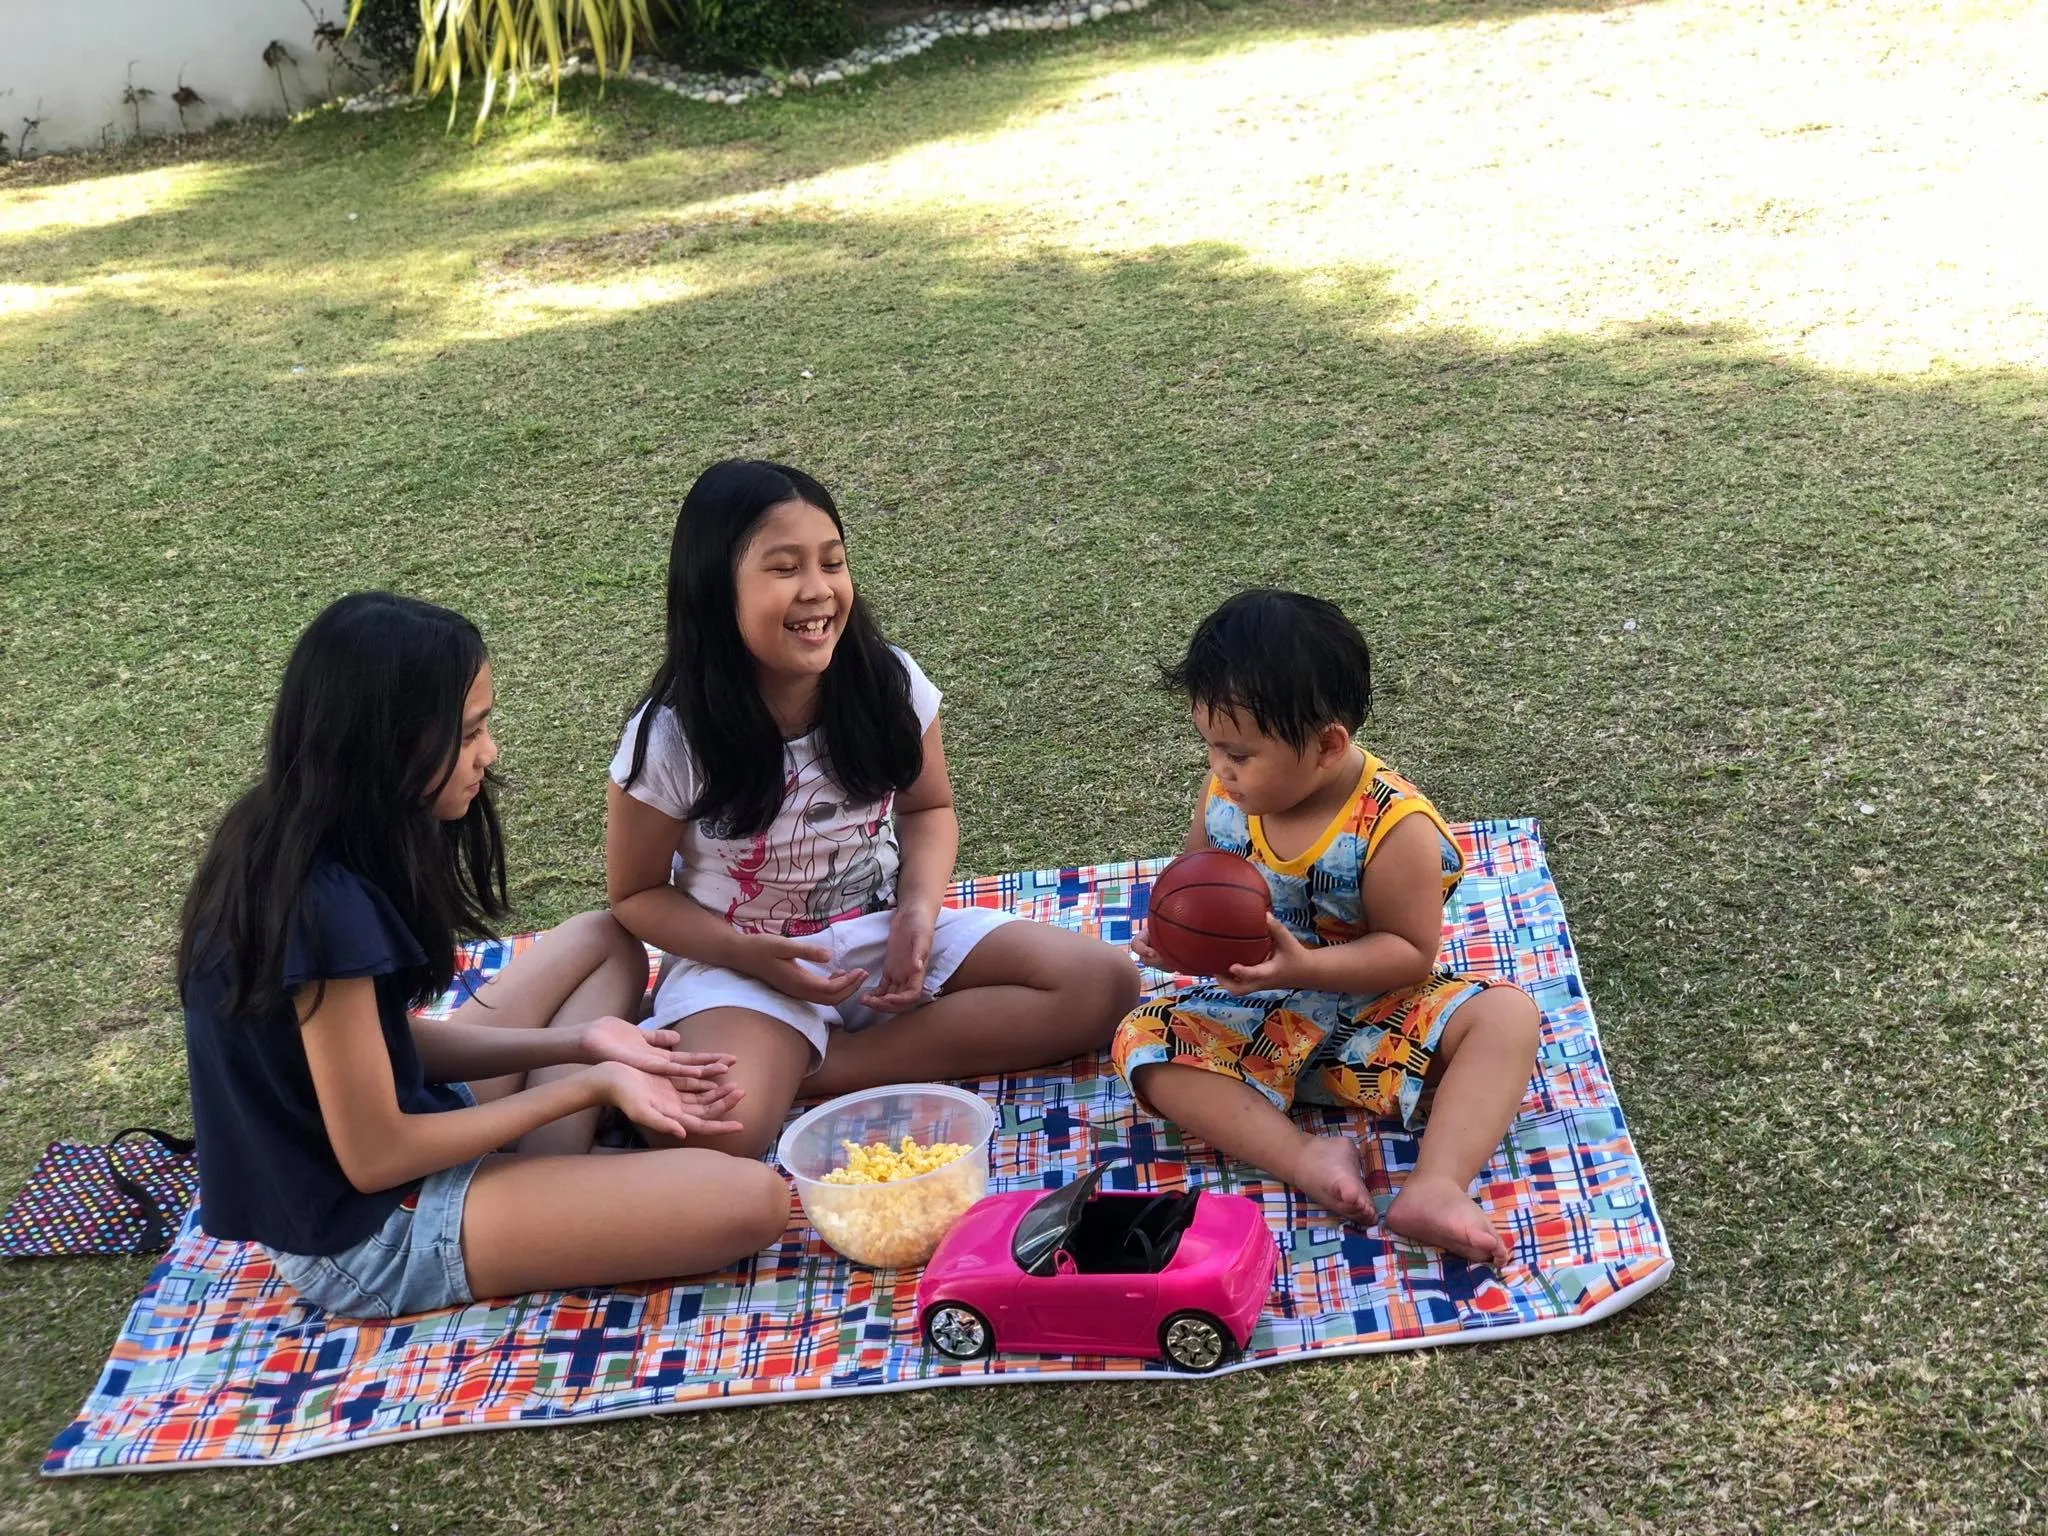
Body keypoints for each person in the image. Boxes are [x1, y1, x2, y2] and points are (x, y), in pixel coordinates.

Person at [178, 593, 790, 1319]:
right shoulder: (323, 907)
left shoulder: (293, 826)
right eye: (469, 734)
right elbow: (376, 1155)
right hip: (369, 1232)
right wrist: (588, 1085)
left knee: (603, 940)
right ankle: (550, 1186)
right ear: (388, 742)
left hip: (401, 1137)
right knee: (753, 1201)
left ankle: (547, 1183)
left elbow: (382, 1046)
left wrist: (582, 1041)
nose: (489, 754)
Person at [607, 459, 1139, 1157]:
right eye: (784, 568)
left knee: (1104, 983)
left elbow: (929, 809)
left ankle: (823, 1067)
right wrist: (752, 957)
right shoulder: (671, 736)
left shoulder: (886, 681)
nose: (819, 591)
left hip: (881, 933)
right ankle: (787, 1054)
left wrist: (917, 916)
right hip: (740, 964)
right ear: (714, 589)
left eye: (833, 562)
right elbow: (636, 894)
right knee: (719, 1136)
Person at [1118, 590, 1541, 1265]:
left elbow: (1407, 953)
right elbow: (1196, 879)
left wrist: (1305, 968)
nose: (1221, 771)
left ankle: (1436, 1185)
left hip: (1373, 1017)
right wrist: (1175, 941)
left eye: (1239, 754)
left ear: (1327, 746)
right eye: (1210, 747)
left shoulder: (1392, 825)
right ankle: (1307, 1157)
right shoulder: (1226, 797)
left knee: (1509, 1018)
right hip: (1254, 1013)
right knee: (1142, 1040)